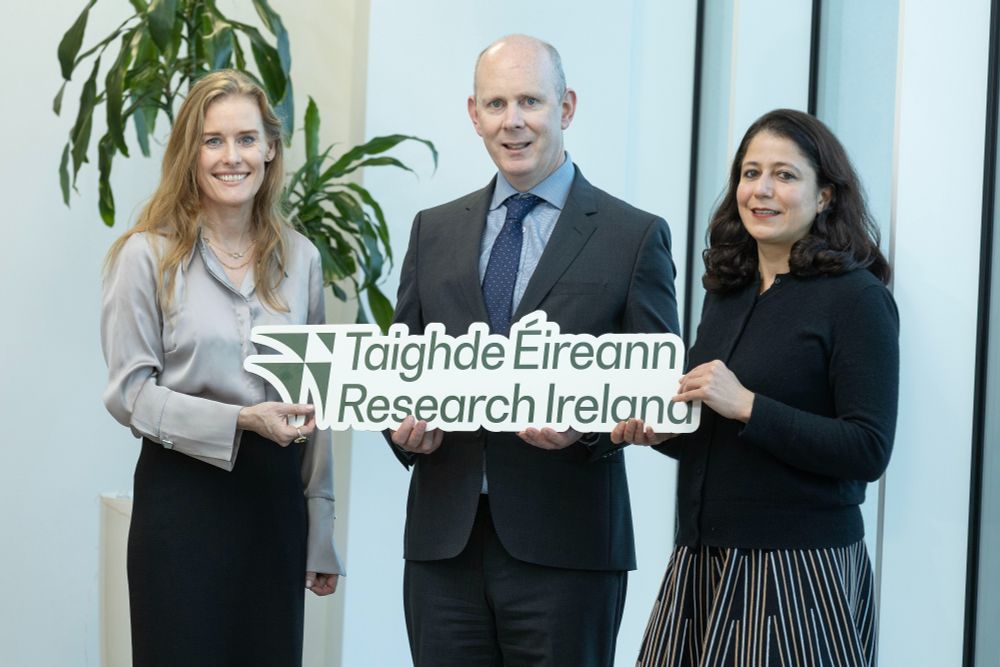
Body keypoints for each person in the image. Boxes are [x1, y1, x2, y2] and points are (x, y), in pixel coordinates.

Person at [386, 34, 679, 666]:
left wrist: (588, 430)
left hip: (568, 549)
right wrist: (400, 430)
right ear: (474, 115)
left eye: (530, 101)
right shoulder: (432, 231)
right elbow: (399, 368)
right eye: (495, 104)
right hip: (444, 548)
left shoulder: (634, 237)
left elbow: (656, 388)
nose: (512, 121)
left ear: (566, 107)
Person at [613, 108, 898, 666]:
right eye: (750, 173)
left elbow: (867, 448)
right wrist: (657, 432)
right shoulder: (729, 289)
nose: (761, 190)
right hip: (702, 562)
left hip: (798, 573)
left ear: (825, 197)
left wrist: (747, 405)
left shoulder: (857, 298)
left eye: (785, 175)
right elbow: (713, 427)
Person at [101, 70, 344, 665]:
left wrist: (320, 529)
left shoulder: (303, 258)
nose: (231, 157)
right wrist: (240, 419)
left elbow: (316, 404)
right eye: (212, 141)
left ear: (270, 149)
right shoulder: (146, 255)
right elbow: (129, 396)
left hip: (274, 506)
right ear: (190, 153)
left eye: (245, 139)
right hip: (181, 504)